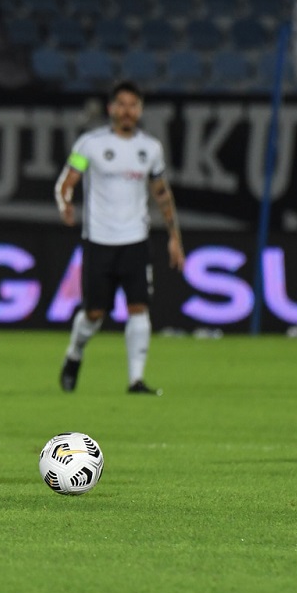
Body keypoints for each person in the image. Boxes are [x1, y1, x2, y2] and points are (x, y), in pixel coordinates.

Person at [55, 80, 184, 395]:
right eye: (121, 104)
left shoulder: (150, 149)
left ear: (139, 110)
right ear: (111, 108)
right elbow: (68, 179)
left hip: (135, 240)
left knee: (138, 307)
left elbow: (161, 194)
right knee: (94, 314)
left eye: (133, 105)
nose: (127, 111)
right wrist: (65, 202)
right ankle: (74, 354)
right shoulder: (90, 144)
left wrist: (174, 236)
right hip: (99, 240)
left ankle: (135, 380)